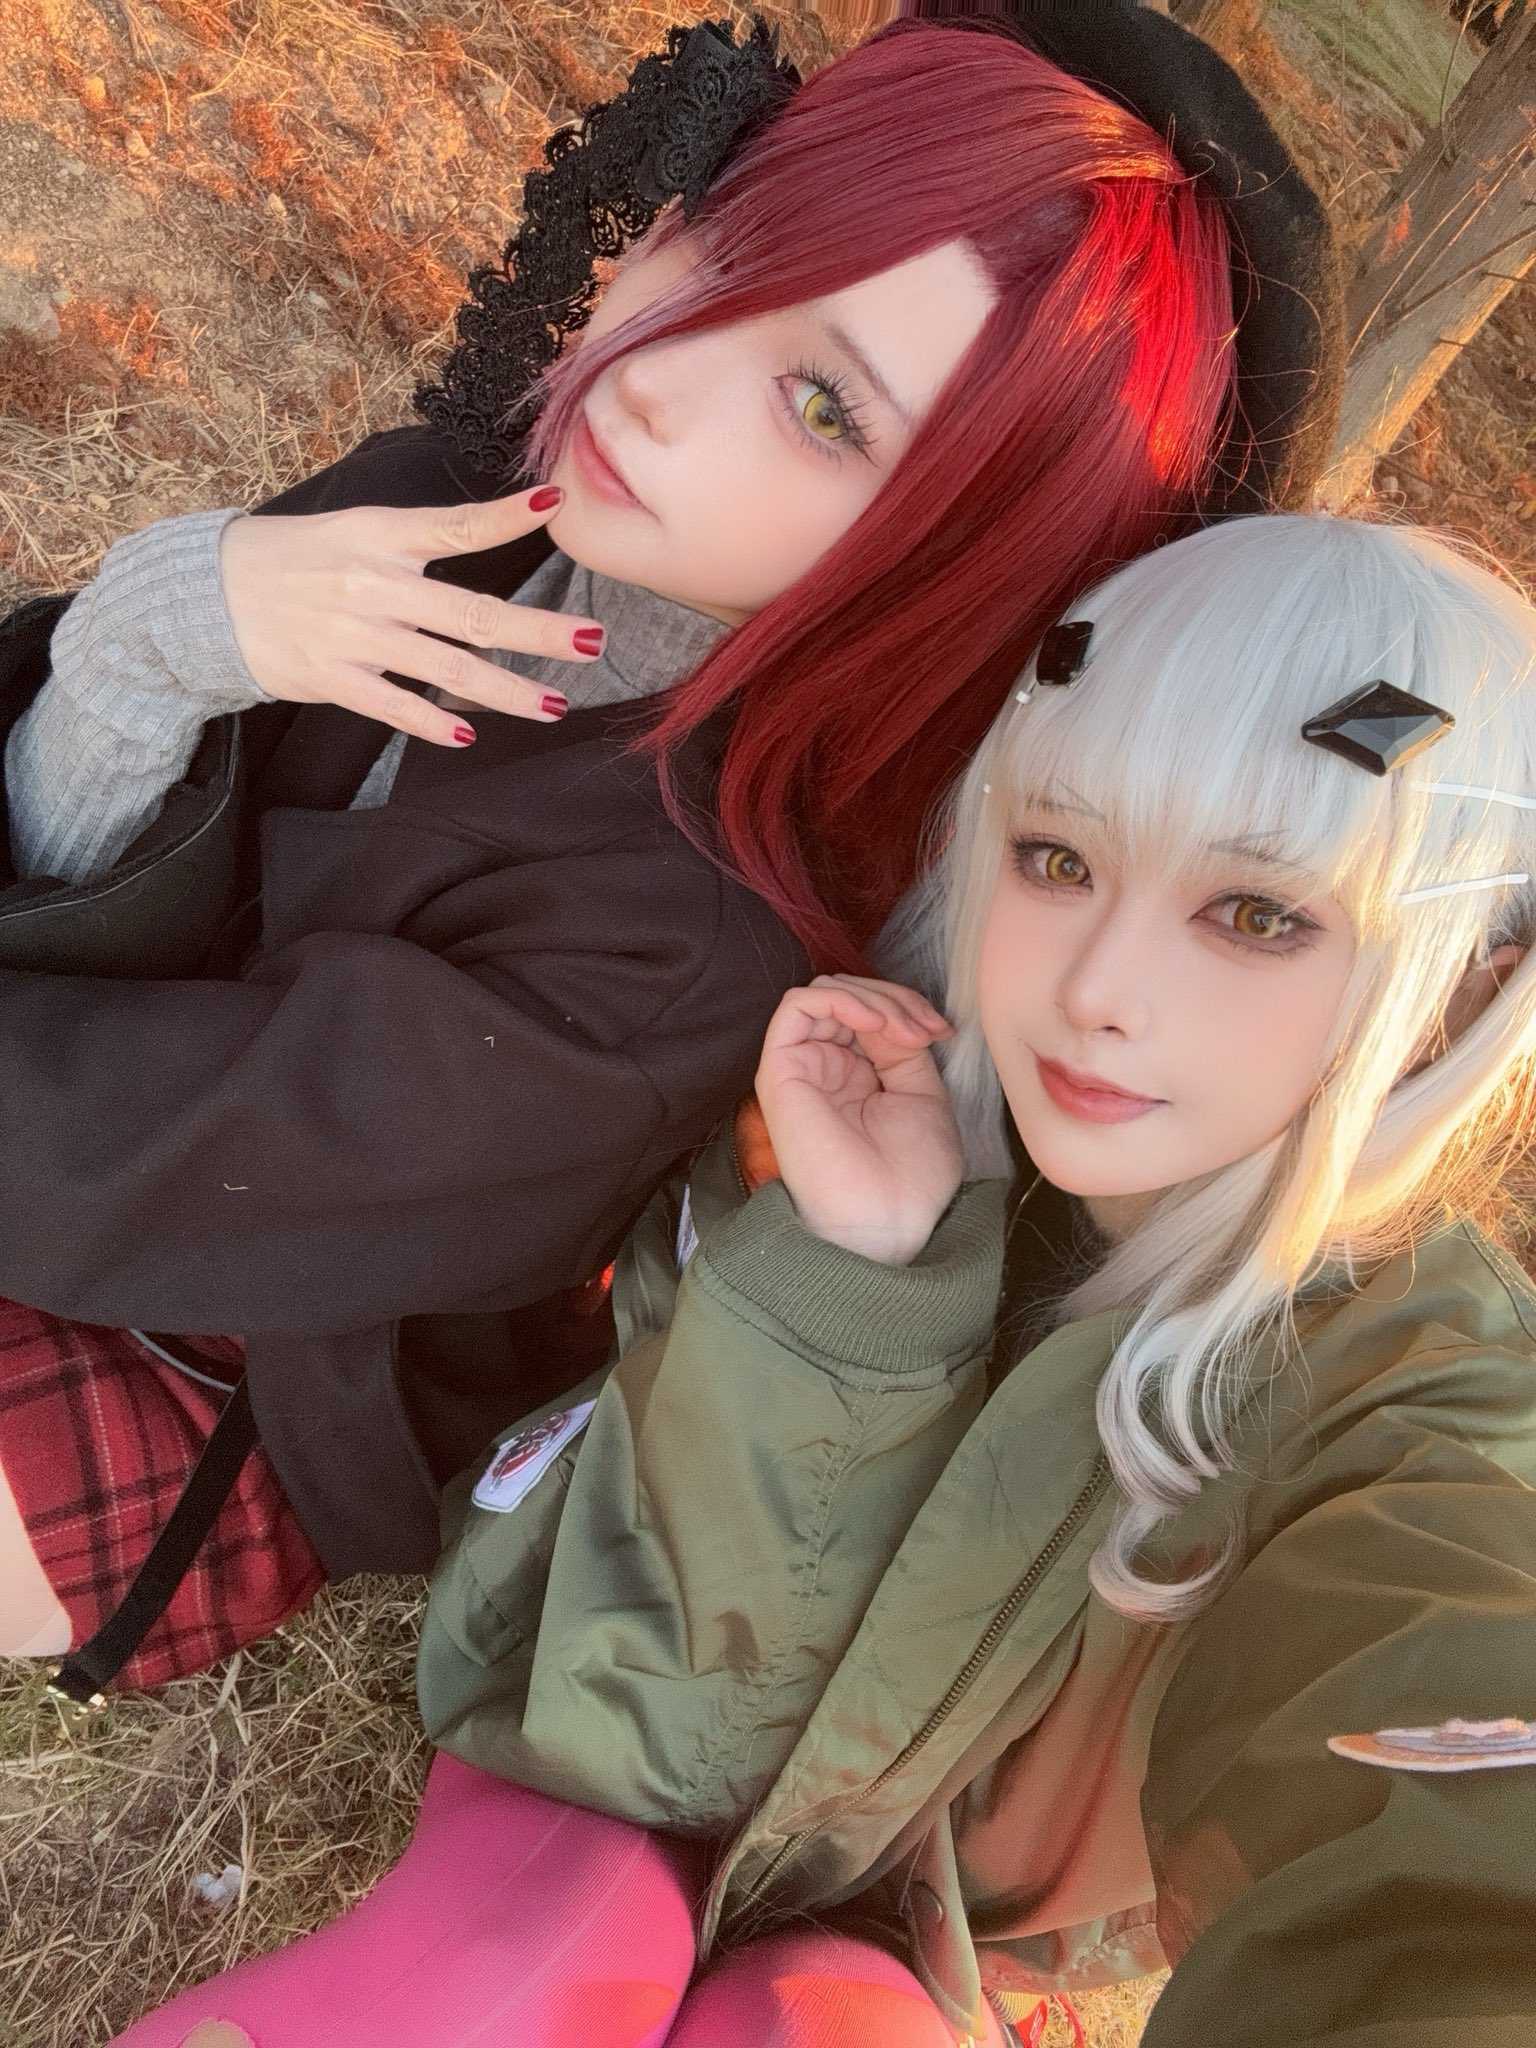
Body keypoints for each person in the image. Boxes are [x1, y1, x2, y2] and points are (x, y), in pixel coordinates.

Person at [0, 6, 1341, 1698]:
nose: (654, 365)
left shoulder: (687, 928)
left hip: (236, 1386)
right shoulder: (451, 517)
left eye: (825, 408)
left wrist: (135, 664)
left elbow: (134, 1155)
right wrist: (141, 660)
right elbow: (63, 896)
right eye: (723, 234)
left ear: (962, 558)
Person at [114, 512, 1536, 2046]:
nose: (1097, 990)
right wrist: (851, 1278)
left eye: (1258, 915)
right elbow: (631, 1719)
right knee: (500, 1971)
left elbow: (1449, 1835)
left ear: (1472, 977)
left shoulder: (1425, 1414)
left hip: (917, 1946)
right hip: (584, 1778)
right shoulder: (853, 1085)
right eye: (1057, 857)